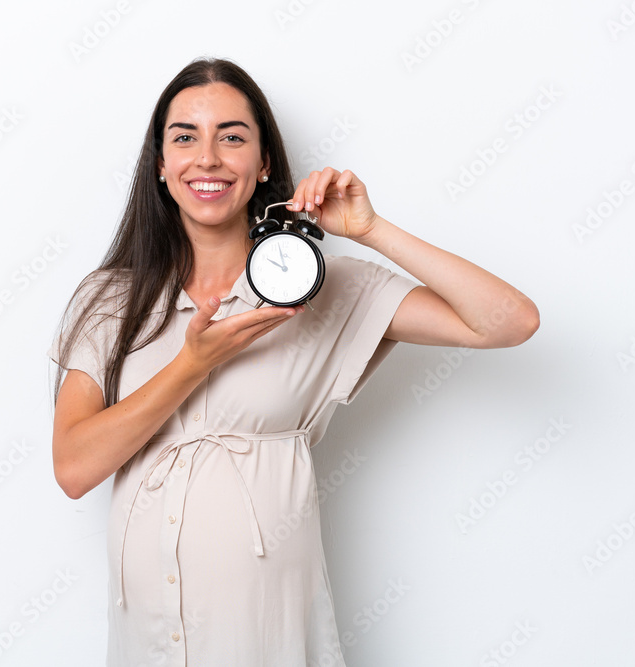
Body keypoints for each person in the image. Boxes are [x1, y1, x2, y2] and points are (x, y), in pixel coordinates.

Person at [48, 57, 538, 666]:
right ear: (160, 166)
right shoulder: (109, 300)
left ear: (264, 163)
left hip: (266, 632)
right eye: (185, 138)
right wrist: (192, 364)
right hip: (144, 637)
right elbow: (73, 468)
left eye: (232, 136)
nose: (208, 158)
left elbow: (509, 321)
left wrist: (369, 229)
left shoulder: (320, 286)